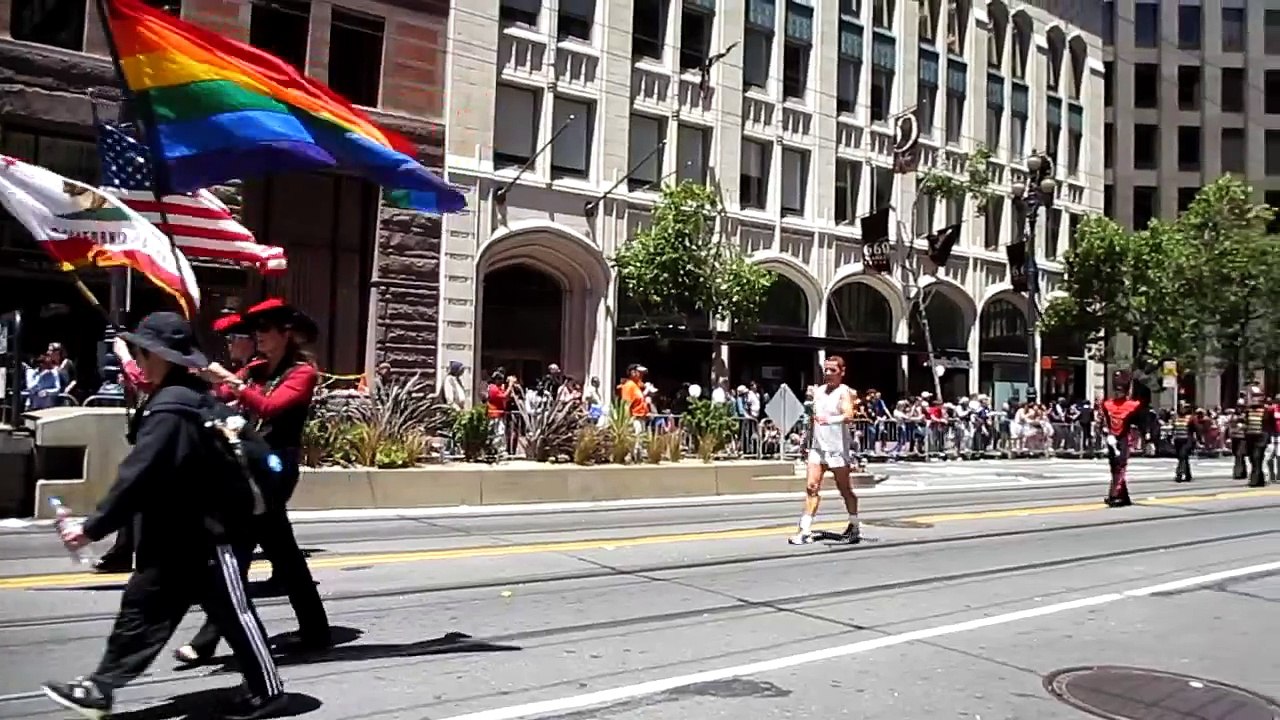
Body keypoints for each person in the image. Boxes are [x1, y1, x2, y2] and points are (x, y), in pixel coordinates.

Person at [41, 312, 285, 720]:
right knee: (141, 610)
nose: (139, 359)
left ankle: (268, 691)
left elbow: (138, 475)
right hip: (173, 537)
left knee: (234, 614)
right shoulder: (188, 398)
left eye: (142, 352)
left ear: (160, 355)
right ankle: (101, 687)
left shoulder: (173, 408)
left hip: (208, 537)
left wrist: (90, 528)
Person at [175, 298, 331, 665]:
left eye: (265, 329)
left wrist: (230, 380)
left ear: (285, 333)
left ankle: (209, 638)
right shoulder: (257, 369)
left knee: (240, 548)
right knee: (282, 551)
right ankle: (316, 629)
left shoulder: (302, 373)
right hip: (249, 466)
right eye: (255, 330)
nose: (257, 336)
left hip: (276, 468)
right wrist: (192, 373)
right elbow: (220, 394)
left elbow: (270, 407)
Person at [789, 356, 861, 545]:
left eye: (832, 370)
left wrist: (829, 420)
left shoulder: (844, 392)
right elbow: (813, 418)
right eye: (826, 370)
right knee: (811, 487)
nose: (828, 373)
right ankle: (804, 530)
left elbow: (848, 415)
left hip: (837, 449)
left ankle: (854, 525)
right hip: (818, 448)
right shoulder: (819, 391)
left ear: (842, 372)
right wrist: (805, 440)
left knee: (845, 489)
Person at [1099, 371, 1143, 507]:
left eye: (1121, 389)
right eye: (1117, 390)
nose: (1119, 392)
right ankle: (1124, 497)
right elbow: (1105, 422)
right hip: (1112, 438)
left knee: (1120, 466)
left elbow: (1139, 422)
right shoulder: (1107, 404)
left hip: (1124, 438)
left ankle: (1114, 494)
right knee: (1114, 466)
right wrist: (1106, 432)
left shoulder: (1133, 405)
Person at [1243, 386, 1269, 488]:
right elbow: (1245, 423)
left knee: (1256, 457)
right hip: (1250, 437)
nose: (1255, 398)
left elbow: (1269, 425)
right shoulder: (1248, 410)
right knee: (1252, 458)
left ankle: (1255, 480)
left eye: (1258, 396)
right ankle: (1260, 479)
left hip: (1261, 437)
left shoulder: (1266, 410)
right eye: (1254, 396)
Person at [1171, 400, 1198, 483]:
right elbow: (1173, 429)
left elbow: (1196, 429)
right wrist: (1172, 438)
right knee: (1183, 457)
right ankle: (1188, 475)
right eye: (1181, 407)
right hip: (1178, 440)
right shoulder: (1175, 417)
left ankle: (1179, 474)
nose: (1183, 409)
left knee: (1182, 456)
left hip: (1187, 440)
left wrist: (1198, 440)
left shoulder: (1191, 418)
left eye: (1184, 407)